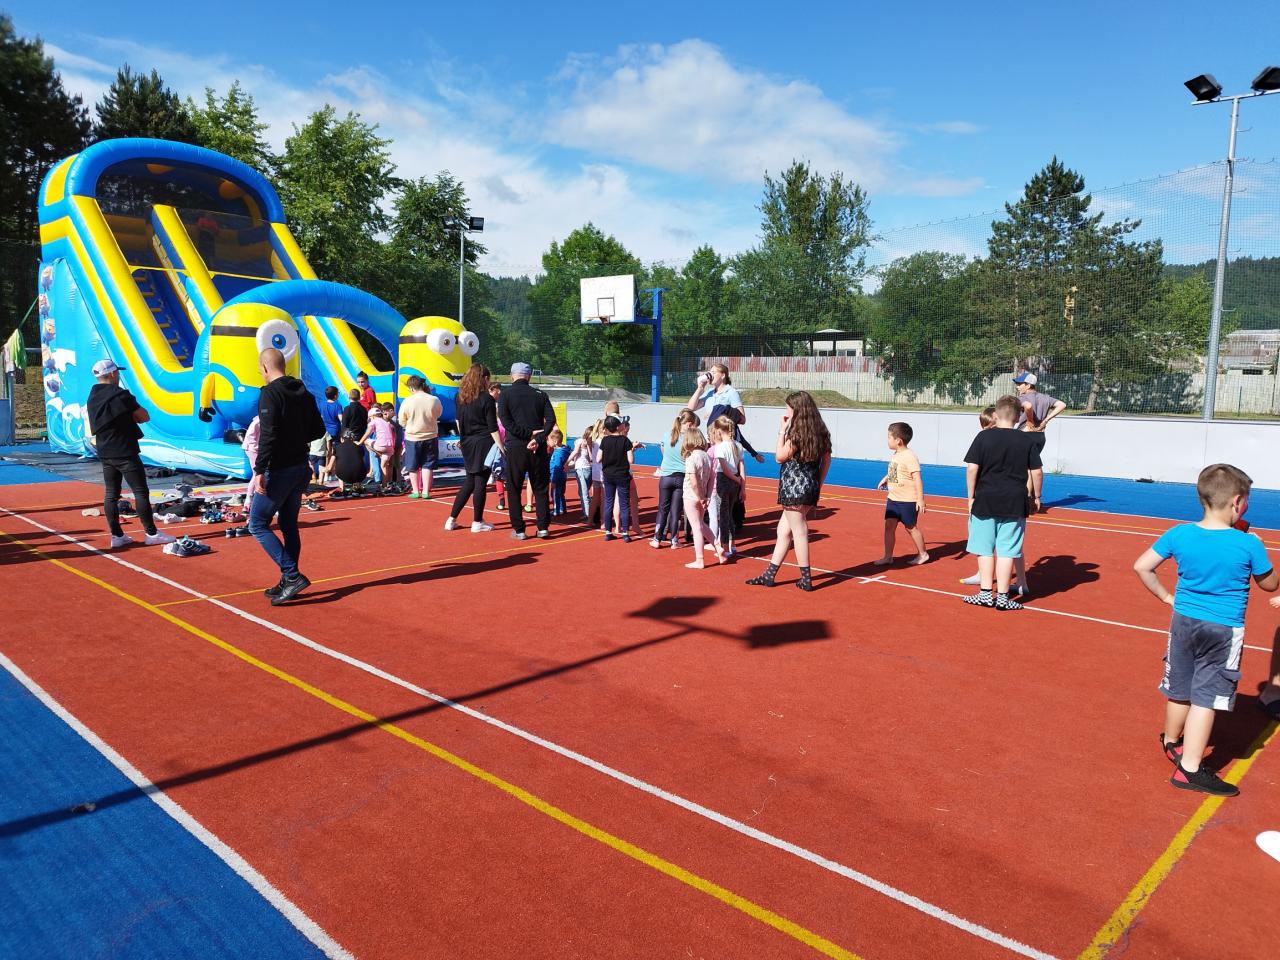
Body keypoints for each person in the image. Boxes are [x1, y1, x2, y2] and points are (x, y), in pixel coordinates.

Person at [1133, 464, 1278, 797]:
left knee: (1180, 686)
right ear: (1237, 502)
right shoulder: (1247, 544)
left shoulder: (1179, 533)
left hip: (1183, 622)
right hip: (1222, 629)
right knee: (1206, 698)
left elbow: (1142, 566)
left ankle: (1172, 741)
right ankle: (1190, 769)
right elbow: (1270, 584)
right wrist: (1260, 548)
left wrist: (1166, 597)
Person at [248, 347, 326, 605]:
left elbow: (268, 434)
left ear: (264, 367)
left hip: (279, 468)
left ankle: (291, 575)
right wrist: (296, 437)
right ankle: (287, 578)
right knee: (288, 524)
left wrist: (259, 470)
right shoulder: (304, 392)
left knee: (257, 523)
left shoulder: (270, 393)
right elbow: (319, 429)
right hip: (299, 465)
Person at [961, 395, 1044, 611]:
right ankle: (1003, 598)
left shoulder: (983, 437)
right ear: (1018, 417)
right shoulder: (1027, 440)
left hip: (985, 499)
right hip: (1014, 502)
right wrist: (1037, 496)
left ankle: (985, 594)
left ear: (996, 415)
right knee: (1008, 550)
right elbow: (1036, 472)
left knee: (984, 549)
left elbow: (972, 468)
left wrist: (970, 497)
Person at [746, 391, 832, 592]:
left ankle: (806, 578)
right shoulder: (821, 431)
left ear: (797, 410)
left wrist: (782, 431)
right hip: (810, 486)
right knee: (783, 531)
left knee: (799, 531)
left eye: (788, 408)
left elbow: (779, 457)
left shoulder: (797, 434)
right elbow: (826, 460)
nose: (786, 412)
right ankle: (769, 575)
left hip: (794, 487)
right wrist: (818, 484)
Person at [85, 359, 174, 550]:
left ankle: (117, 535)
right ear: (112, 374)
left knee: (111, 494)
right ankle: (151, 533)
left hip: (105, 451)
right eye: (117, 372)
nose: (118, 375)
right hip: (124, 450)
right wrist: (130, 416)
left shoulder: (92, 396)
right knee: (140, 492)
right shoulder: (121, 395)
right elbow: (144, 416)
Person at [497, 362, 557, 540]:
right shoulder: (540, 395)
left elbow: (506, 422)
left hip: (516, 446)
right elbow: (551, 420)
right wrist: (537, 438)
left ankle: (519, 530)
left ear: (512, 375)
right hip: (537, 447)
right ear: (529, 376)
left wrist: (526, 435)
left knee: (514, 487)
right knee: (540, 487)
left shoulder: (505, 395)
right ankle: (543, 527)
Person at [446, 363, 503, 533]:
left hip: (467, 442)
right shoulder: (487, 399)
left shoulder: (460, 397)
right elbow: (492, 427)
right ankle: (477, 521)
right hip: (484, 442)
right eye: (488, 379)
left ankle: (451, 519)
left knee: (470, 481)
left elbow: (458, 421)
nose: (489, 382)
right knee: (480, 483)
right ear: (484, 379)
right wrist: (501, 447)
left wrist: (462, 438)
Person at [686, 363, 765, 464]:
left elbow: (742, 419)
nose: (710, 374)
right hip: (711, 439)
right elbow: (690, 408)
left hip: (725, 441)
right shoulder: (710, 392)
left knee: (727, 470)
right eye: (709, 372)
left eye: (713, 372)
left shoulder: (731, 392)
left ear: (723, 375)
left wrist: (720, 411)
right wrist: (700, 388)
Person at [875, 422, 929, 566]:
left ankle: (923, 554)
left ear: (898, 440)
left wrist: (920, 499)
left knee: (911, 527)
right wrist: (886, 479)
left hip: (907, 500)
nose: (887, 440)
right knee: (889, 525)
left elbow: (917, 478)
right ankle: (888, 556)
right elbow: (895, 470)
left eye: (889, 437)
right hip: (893, 499)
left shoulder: (909, 456)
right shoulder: (896, 455)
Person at [651, 409, 698, 549]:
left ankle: (656, 539)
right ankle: (674, 541)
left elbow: (663, 450)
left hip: (666, 476)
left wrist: (669, 459)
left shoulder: (667, 435)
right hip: (681, 477)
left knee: (662, 508)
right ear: (689, 424)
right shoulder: (688, 439)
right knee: (676, 511)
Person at [681, 427, 723, 569]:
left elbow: (693, 482)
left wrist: (700, 497)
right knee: (701, 524)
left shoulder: (691, 458)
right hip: (703, 495)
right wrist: (707, 496)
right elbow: (712, 478)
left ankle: (699, 559)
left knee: (696, 527)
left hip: (691, 496)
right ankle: (718, 546)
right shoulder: (707, 457)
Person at [398, 375, 442, 500]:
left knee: (412, 465)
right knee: (428, 464)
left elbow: (402, 421)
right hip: (431, 436)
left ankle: (416, 491)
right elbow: (438, 413)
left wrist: (409, 424)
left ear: (412, 388)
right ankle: (426, 491)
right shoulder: (434, 399)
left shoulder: (407, 401)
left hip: (412, 437)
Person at [709, 414, 745, 558]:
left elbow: (724, 469)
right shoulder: (738, 445)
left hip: (724, 481)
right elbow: (742, 468)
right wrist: (742, 485)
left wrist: (737, 480)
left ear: (719, 431)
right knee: (729, 514)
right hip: (734, 482)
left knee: (723, 516)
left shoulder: (720, 447)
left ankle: (725, 547)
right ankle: (733, 544)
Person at [597, 416, 633, 542]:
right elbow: (631, 460)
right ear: (618, 427)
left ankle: (608, 532)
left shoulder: (605, 441)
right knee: (624, 504)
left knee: (608, 502)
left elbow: (598, 459)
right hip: (622, 475)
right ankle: (625, 533)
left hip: (608, 475)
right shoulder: (625, 440)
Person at [568, 423, 599, 523]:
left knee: (584, 493)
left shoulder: (588, 443)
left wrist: (566, 462)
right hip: (585, 469)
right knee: (583, 493)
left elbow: (579, 453)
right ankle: (589, 513)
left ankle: (588, 515)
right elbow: (579, 454)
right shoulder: (583, 442)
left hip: (584, 470)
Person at [359, 403, 395, 486]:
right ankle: (385, 485)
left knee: (366, 441)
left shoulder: (374, 421)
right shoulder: (387, 423)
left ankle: (378, 454)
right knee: (384, 466)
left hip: (381, 446)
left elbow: (367, 433)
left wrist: (360, 442)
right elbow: (394, 434)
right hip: (390, 447)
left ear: (372, 416)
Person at [548, 429, 570, 516]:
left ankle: (556, 510)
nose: (548, 442)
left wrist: (553, 480)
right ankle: (562, 508)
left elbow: (557, 467)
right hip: (562, 476)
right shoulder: (563, 450)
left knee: (555, 494)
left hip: (557, 476)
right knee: (561, 493)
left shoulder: (558, 453)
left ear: (555, 441)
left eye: (549, 440)